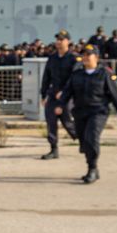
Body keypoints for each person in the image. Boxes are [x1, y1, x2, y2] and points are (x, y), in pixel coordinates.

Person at [52, 47, 117, 184]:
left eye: (89, 55)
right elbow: (67, 92)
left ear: (96, 57)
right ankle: (93, 168)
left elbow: (115, 94)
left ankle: (92, 168)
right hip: (80, 112)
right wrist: (60, 105)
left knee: (92, 138)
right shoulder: (77, 74)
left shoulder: (104, 74)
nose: (86, 57)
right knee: (84, 142)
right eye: (84, 55)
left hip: (98, 111)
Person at [40, 30, 78, 160]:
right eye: (57, 39)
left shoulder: (73, 58)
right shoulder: (52, 58)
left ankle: (83, 139)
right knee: (51, 122)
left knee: (68, 122)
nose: (58, 42)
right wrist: (44, 95)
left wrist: (65, 92)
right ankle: (53, 149)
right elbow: (46, 77)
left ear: (68, 41)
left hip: (67, 96)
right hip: (53, 95)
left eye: (61, 39)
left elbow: (74, 78)